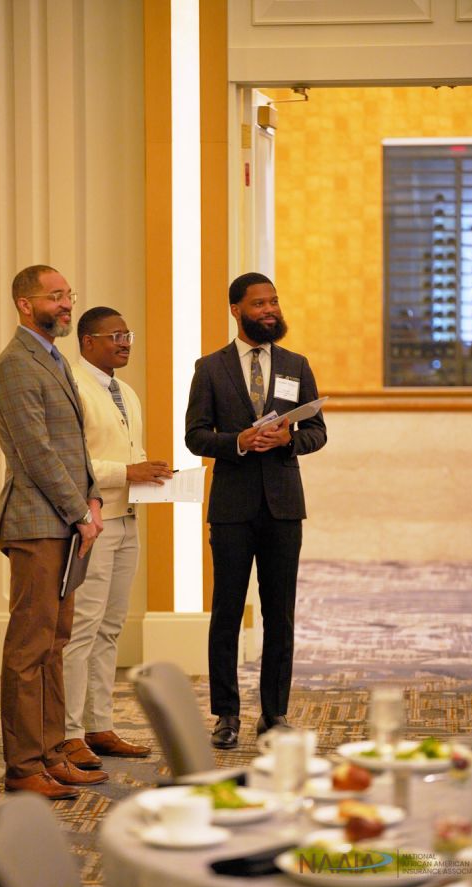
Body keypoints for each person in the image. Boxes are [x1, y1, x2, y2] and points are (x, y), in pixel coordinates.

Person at [185, 272, 327, 749]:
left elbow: (318, 432)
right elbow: (195, 436)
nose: (270, 310)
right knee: (226, 612)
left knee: (279, 613)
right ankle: (226, 715)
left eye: (274, 302)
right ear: (236, 310)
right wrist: (238, 441)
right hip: (231, 507)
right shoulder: (210, 368)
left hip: (283, 507)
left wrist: (289, 439)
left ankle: (274, 713)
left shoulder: (296, 365)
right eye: (260, 304)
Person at [0, 264, 109, 799]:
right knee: (29, 648)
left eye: (68, 295)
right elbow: (37, 453)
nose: (66, 304)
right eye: (55, 296)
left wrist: (92, 499)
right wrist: (80, 511)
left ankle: (52, 752)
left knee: (55, 644)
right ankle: (23, 768)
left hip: (65, 522)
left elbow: (75, 445)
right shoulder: (16, 363)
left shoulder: (54, 358)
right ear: (25, 304)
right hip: (37, 523)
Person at [61, 307, 172, 769]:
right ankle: (69, 734)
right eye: (115, 336)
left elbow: (130, 454)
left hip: (127, 519)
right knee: (82, 630)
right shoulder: (72, 386)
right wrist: (128, 471)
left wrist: (153, 474)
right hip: (93, 522)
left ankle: (99, 725)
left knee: (110, 629)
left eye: (128, 335)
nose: (125, 343)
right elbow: (73, 461)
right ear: (88, 341)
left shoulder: (125, 391)